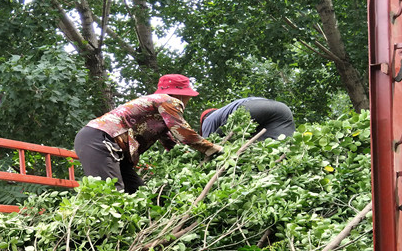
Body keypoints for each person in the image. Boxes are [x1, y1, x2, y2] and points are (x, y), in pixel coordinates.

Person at [73, 74, 223, 193]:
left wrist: (190, 159)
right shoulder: (168, 101)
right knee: (111, 195)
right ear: (182, 95)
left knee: (137, 192)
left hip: (105, 145)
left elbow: (172, 143)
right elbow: (182, 131)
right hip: (101, 140)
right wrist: (211, 149)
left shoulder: (158, 107)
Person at [199, 97, 295, 141]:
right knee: (281, 146)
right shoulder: (224, 111)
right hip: (281, 109)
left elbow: (207, 144)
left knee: (217, 141)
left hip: (252, 108)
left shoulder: (207, 119)